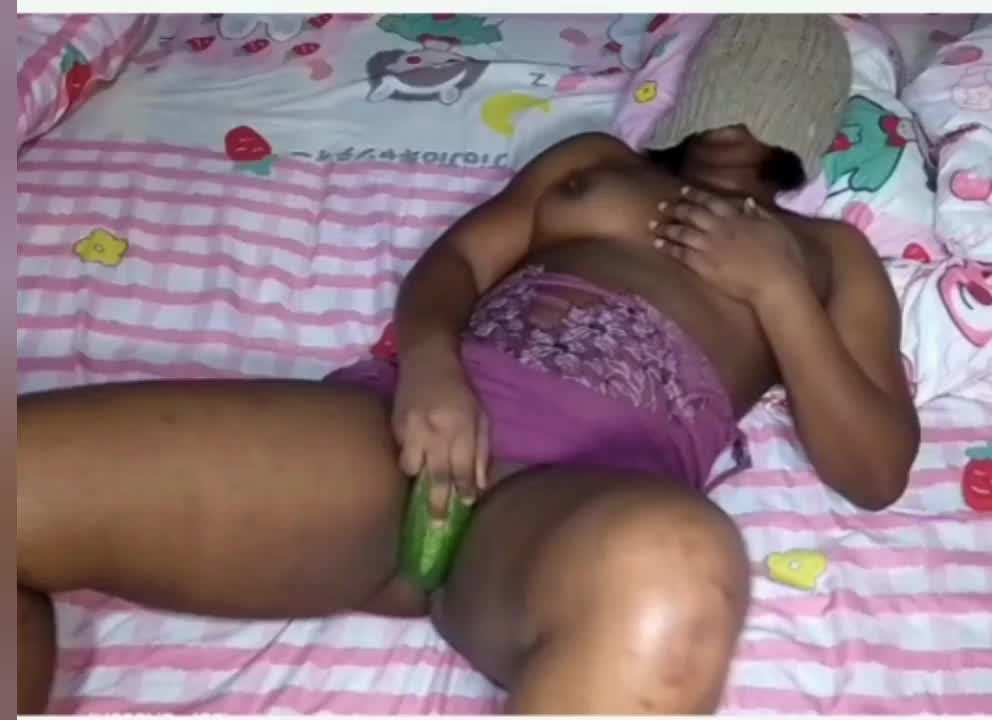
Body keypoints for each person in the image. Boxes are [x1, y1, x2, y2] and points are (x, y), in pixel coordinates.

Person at [17, 14, 919, 715]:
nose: (747, 104)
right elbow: (455, 264)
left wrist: (777, 292)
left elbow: (877, 470)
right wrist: (431, 367)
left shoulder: (828, 254)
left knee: (672, 569)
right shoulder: (596, 162)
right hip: (408, 437)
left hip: (577, 512)